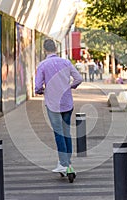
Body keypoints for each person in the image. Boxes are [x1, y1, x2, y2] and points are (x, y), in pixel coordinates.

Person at [35, 39, 83, 173]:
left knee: (59, 133)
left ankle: (63, 163)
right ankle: (68, 162)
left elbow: (38, 86)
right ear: (56, 48)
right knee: (66, 132)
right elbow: (79, 78)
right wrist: (71, 87)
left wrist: (41, 91)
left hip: (53, 104)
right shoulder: (66, 62)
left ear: (45, 50)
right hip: (67, 103)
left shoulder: (42, 65)